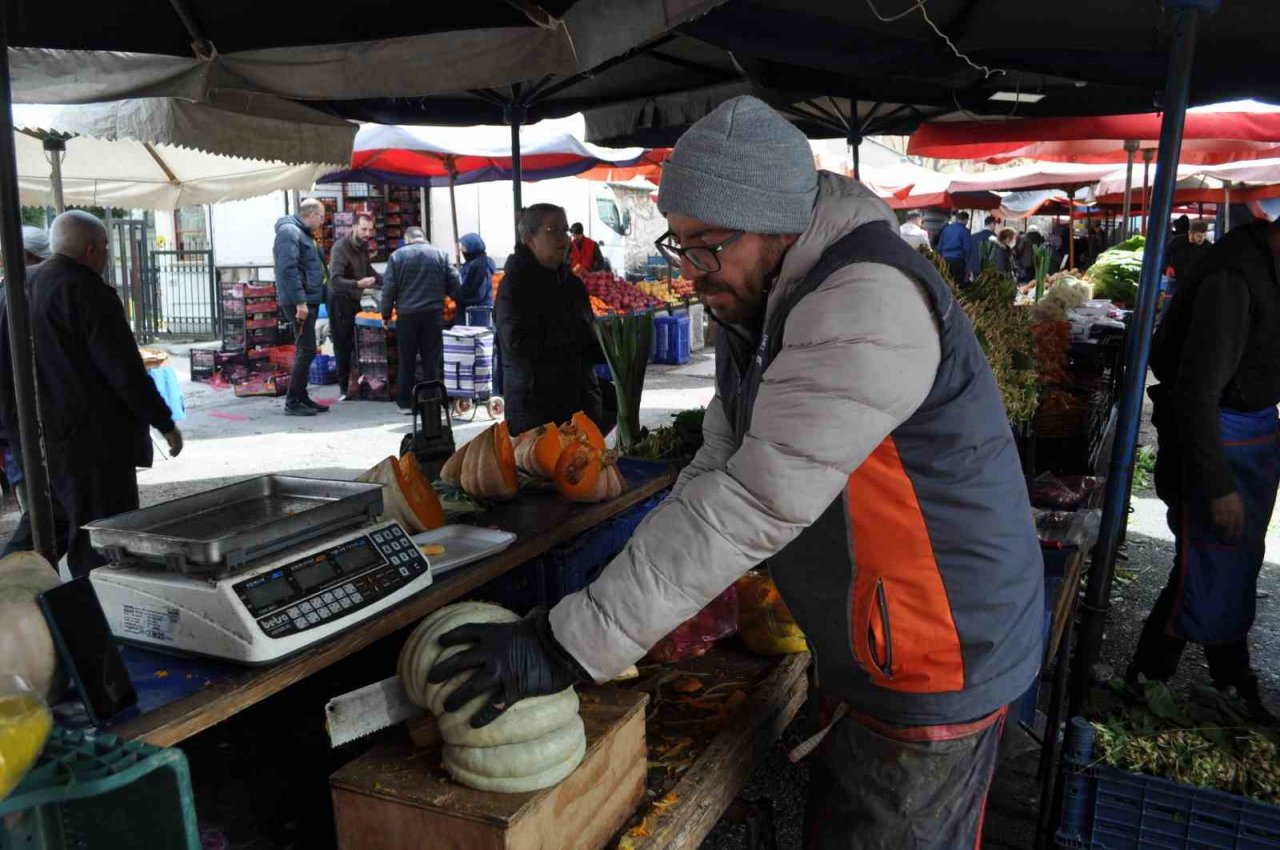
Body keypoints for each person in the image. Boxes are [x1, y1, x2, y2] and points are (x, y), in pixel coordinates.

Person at [429, 97, 1043, 849]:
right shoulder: (762, 298)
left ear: (776, 222)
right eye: (680, 245)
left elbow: (754, 501)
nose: (690, 273)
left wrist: (567, 645)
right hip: (871, 639)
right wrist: (628, 602)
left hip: (936, 644)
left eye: (706, 246)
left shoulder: (863, 301)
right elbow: (720, 464)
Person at [1129, 218, 1280, 722]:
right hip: (1217, 447)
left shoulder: (1263, 267)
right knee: (1205, 567)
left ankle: (1219, 681)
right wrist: (1218, 487)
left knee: (1224, 567)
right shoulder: (1233, 280)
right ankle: (1156, 682)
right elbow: (1196, 393)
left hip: (1249, 444)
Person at [0, 211, 183, 576]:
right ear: (91, 250)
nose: (106, 256)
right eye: (105, 248)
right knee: (101, 536)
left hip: (34, 438)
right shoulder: (87, 291)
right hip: (90, 441)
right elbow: (124, 371)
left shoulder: (14, 288)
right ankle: (96, 616)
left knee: (46, 524)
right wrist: (165, 422)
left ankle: (14, 590)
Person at [495, 205, 604, 436]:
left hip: (580, 407)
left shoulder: (572, 284)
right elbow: (517, 343)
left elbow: (586, 336)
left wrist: (607, 346)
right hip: (535, 413)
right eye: (552, 229)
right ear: (530, 239)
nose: (563, 237)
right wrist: (571, 339)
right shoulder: (514, 285)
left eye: (564, 229)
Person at [381, 227, 460, 413]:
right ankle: (431, 402)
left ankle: (405, 404)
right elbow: (455, 281)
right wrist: (448, 293)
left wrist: (385, 314)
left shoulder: (397, 257)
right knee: (431, 360)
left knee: (406, 359)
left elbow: (388, 289)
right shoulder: (441, 254)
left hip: (406, 316)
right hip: (433, 315)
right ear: (424, 238)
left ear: (407, 239)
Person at [273, 199, 328, 417]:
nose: (323, 222)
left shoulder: (302, 233)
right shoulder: (289, 232)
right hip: (299, 301)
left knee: (307, 349)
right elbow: (288, 269)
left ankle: (301, 397)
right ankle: (293, 401)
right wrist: (300, 302)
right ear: (312, 215)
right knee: (305, 350)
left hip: (308, 298)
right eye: (322, 218)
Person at [328, 212, 382, 400]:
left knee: (358, 342)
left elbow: (369, 270)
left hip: (355, 299)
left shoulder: (364, 247)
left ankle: (357, 384)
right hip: (339, 300)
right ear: (354, 227)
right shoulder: (340, 248)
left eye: (370, 229)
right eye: (364, 229)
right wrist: (358, 284)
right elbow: (335, 281)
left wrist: (388, 281)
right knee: (343, 344)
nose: (368, 233)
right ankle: (344, 388)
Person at [457, 233, 495, 326]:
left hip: (477, 313)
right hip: (468, 312)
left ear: (472, 247)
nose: (461, 250)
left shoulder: (480, 267)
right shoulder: (471, 264)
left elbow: (478, 294)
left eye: (464, 247)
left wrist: (458, 296)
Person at [937, 211, 975, 286]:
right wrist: (967, 259)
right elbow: (967, 247)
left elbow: (940, 246)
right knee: (957, 282)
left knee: (946, 281)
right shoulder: (965, 231)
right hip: (958, 259)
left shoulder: (946, 229)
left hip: (945, 259)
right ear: (966, 220)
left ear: (957, 219)